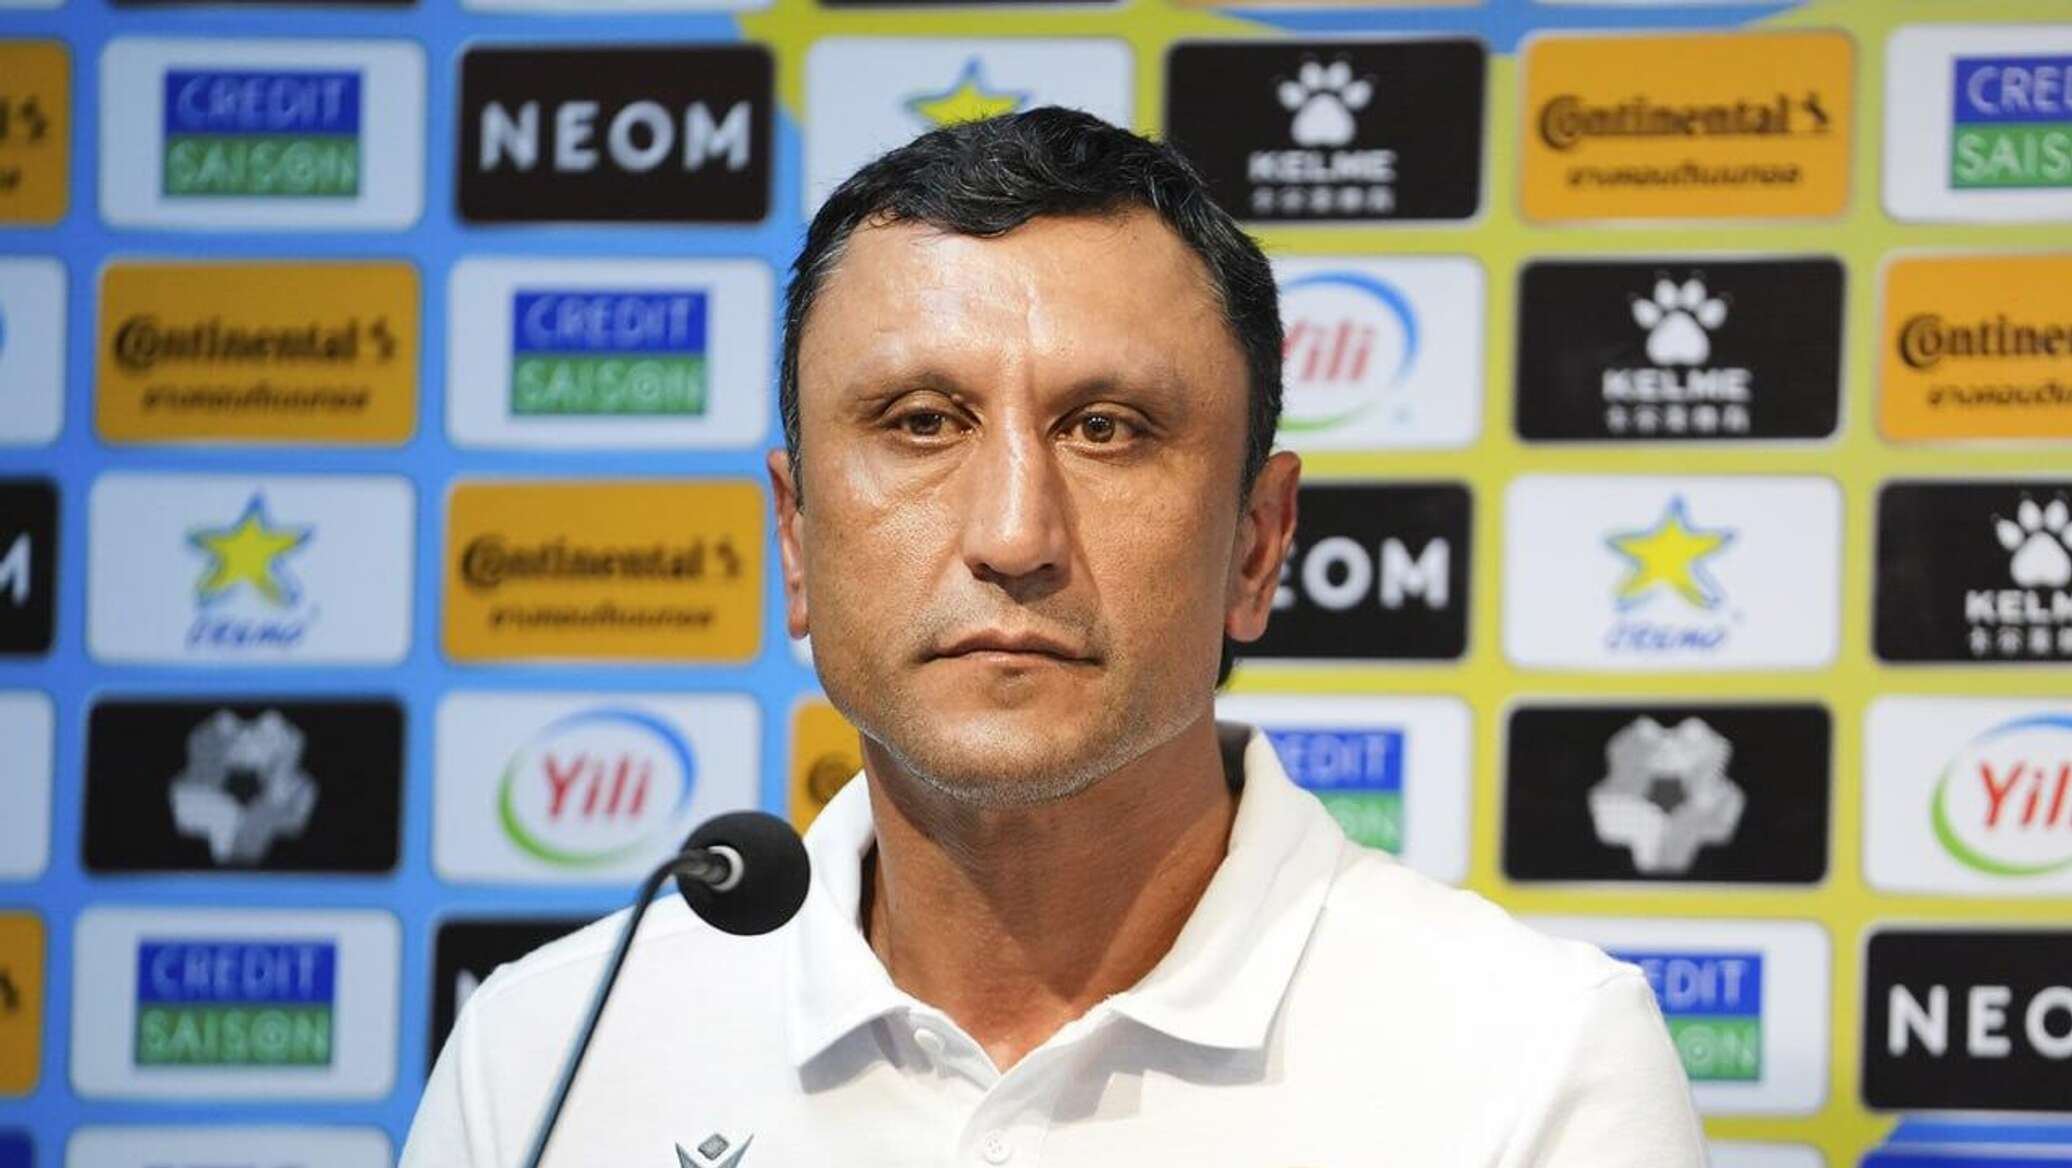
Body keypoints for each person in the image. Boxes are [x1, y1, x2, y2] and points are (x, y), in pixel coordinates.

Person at [403, 108, 1708, 1168]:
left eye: (1107, 430)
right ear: (796, 540)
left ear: (1257, 545)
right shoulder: (553, 1055)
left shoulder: (1535, 1062)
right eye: (921, 423)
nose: (1014, 534)